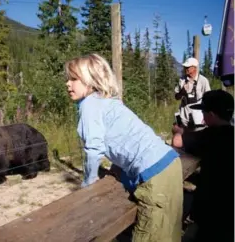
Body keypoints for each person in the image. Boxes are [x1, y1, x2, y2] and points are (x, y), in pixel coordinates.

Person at [65, 53, 183, 242]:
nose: (67, 84)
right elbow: (124, 140)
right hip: (169, 163)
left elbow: (94, 148)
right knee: (168, 233)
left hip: (155, 176)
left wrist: (89, 182)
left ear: (90, 80)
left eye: (73, 79)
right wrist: (116, 167)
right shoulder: (108, 102)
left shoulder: (89, 105)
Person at [171, 89, 234, 242]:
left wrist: (177, 131)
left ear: (211, 115)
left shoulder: (209, 136)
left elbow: (177, 142)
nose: (203, 118)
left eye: (204, 113)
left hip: (211, 210)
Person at [174, 57, 211, 129]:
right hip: (184, 115)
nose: (185, 68)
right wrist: (182, 92)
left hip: (199, 117)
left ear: (194, 68)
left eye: (188, 67)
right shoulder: (182, 80)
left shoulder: (203, 80)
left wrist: (207, 117)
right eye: (185, 67)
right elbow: (176, 97)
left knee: (199, 137)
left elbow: (209, 100)